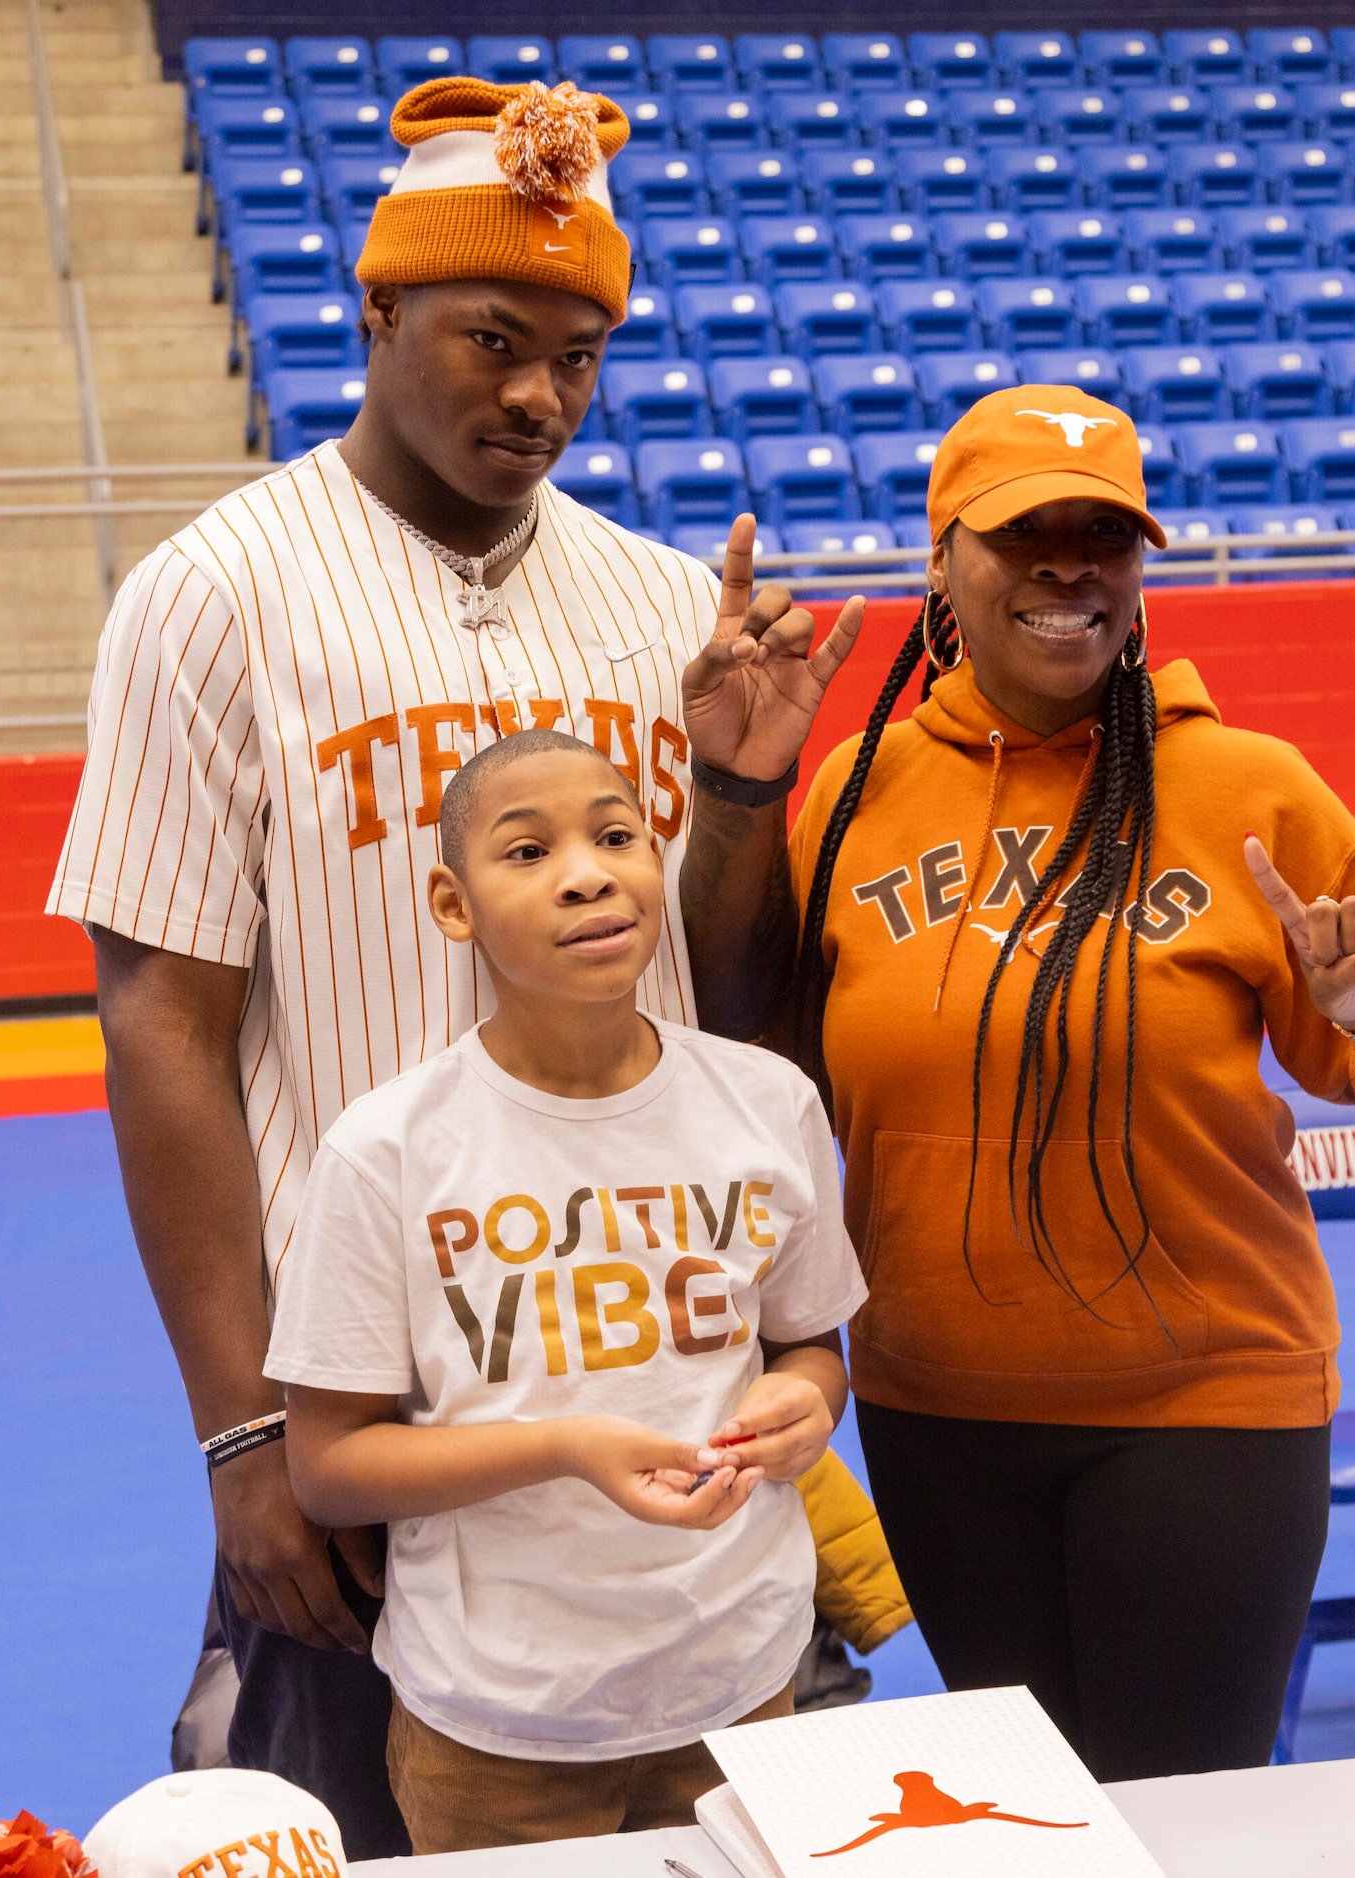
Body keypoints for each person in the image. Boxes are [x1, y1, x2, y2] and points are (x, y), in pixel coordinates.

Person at [47, 76, 866, 1855]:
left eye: (580, 355)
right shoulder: (213, 593)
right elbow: (161, 1023)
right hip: (367, 1406)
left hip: (655, 1370)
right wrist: (240, 1431)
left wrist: (734, 786)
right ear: (375, 310)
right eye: (495, 336)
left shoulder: (663, 601)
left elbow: (731, 1005)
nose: (539, 394)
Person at [680, 384, 1355, 1779]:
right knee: (1030, 1823)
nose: (1071, 566)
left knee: (1177, 1831)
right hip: (937, 1409)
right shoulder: (852, 788)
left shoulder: (1251, 788)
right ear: (943, 558)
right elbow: (746, 1060)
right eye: (1028, 534)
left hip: (1203, 1413)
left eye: (1106, 535)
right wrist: (738, 797)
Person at [271, 731, 864, 1853]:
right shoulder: (385, 1152)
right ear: (453, 904)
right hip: (500, 1728)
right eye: (529, 850)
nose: (586, 872)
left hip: (740, 1683)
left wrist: (808, 1403)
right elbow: (330, 1465)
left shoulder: (768, 1106)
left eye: (614, 834)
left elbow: (809, 1344)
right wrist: (564, 1449)